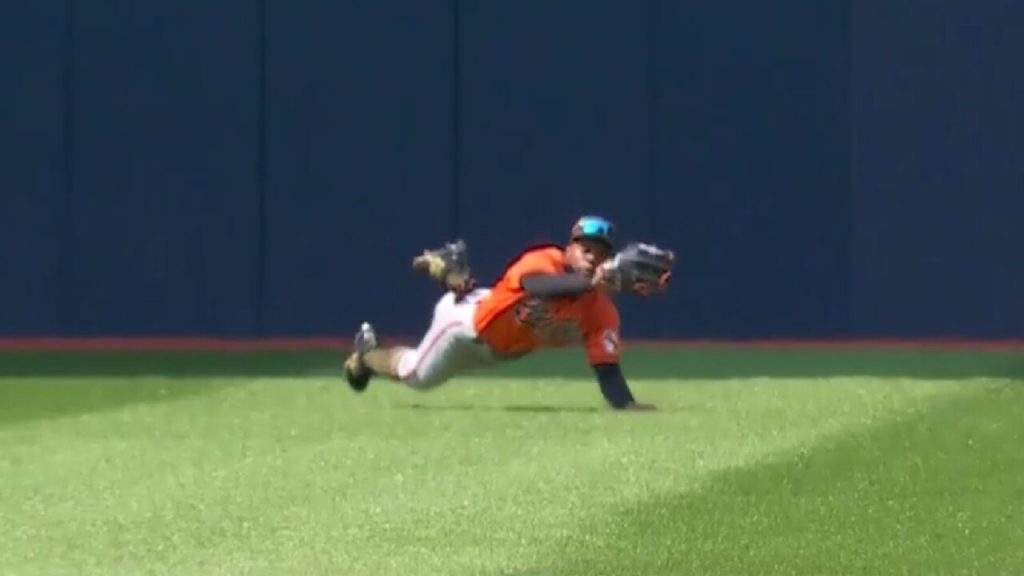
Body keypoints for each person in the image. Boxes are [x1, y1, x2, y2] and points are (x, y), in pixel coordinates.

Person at [342, 215, 658, 411]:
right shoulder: (545, 260)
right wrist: (593, 281)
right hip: (465, 327)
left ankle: (453, 270)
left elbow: (607, 369)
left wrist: (628, 406)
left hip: (498, 345)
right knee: (414, 376)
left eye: (601, 254)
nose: (592, 257)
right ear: (569, 248)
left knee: (424, 369)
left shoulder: (601, 313)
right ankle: (365, 355)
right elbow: (539, 287)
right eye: (585, 249)